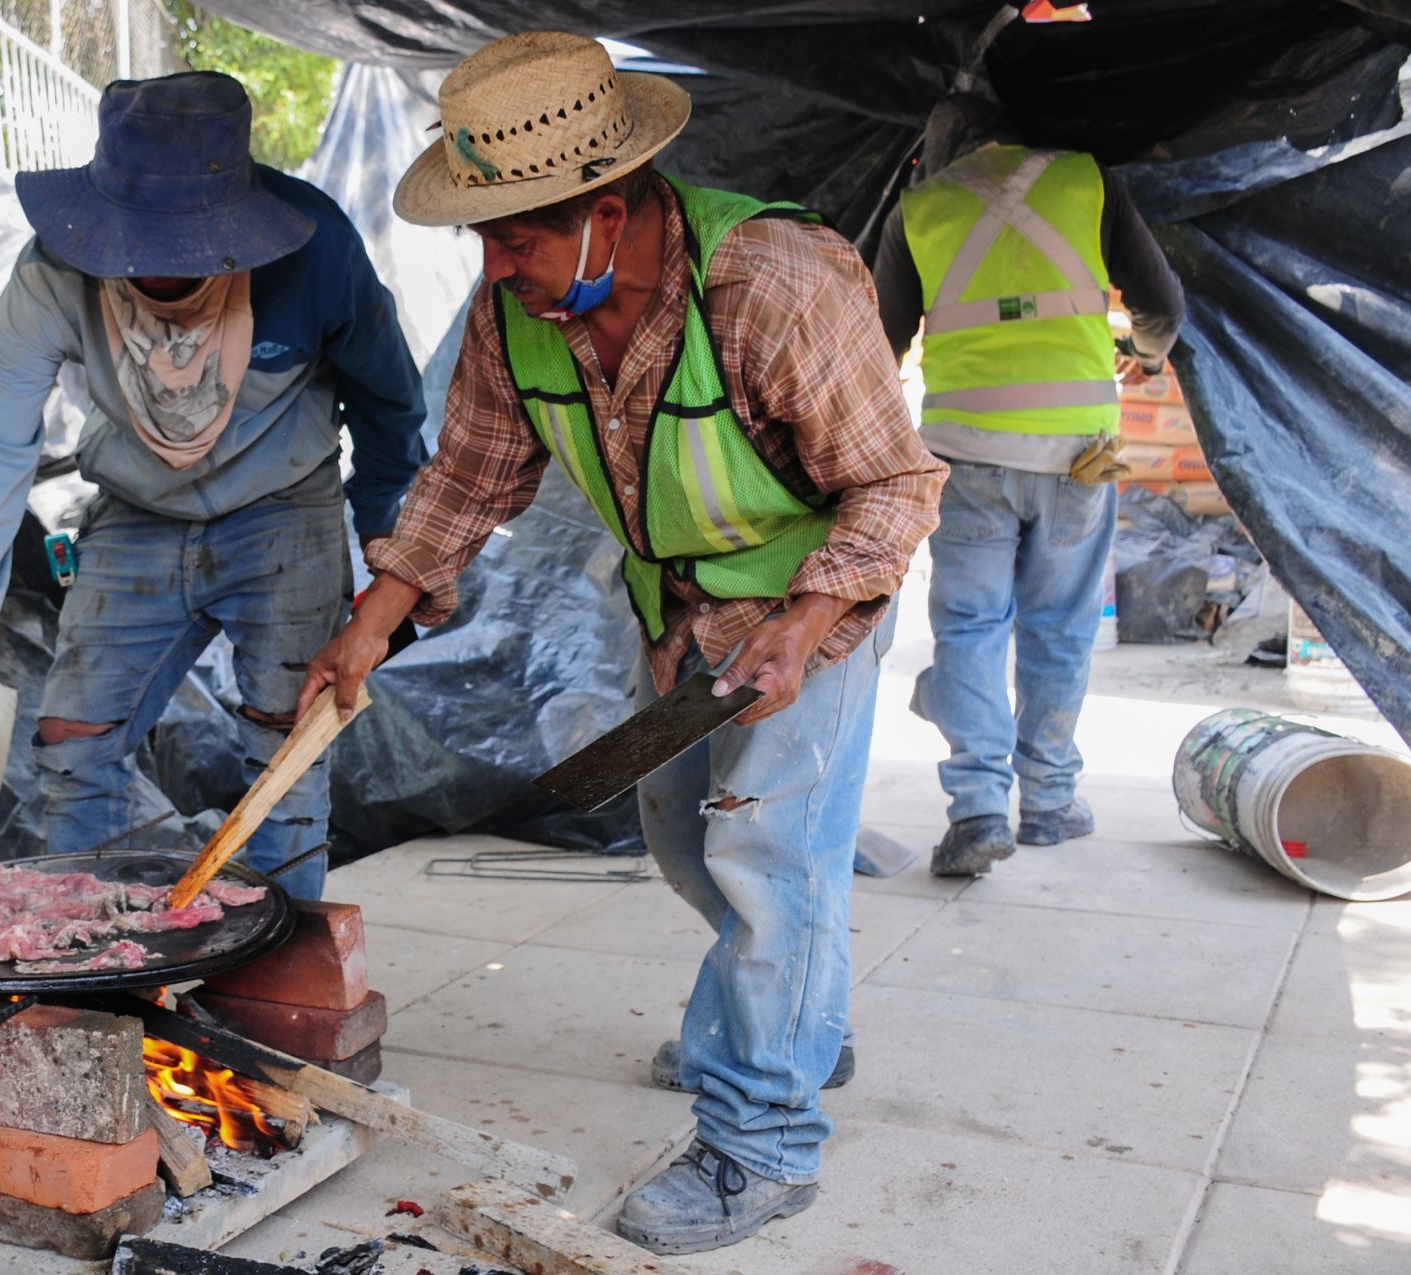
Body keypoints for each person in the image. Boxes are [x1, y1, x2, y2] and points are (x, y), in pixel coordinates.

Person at [297, 32, 946, 1255]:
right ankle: (800, 1020)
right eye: (483, 240)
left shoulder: (775, 281)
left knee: (769, 864)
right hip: (682, 617)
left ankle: (761, 1144)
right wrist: (369, 625)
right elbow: (469, 476)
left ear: (609, 207)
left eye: (518, 237)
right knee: (681, 844)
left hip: (817, 605)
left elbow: (896, 488)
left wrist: (804, 629)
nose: (497, 269)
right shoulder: (518, 314)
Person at [0, 73, 427, 900]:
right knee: (72, 742)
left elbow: (390, 407)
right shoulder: (50, 276)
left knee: (288, 752)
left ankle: (279, 986)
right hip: (136, 512)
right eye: (137, 247)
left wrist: (392, 564)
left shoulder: (317, 249)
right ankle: (93, 968)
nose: (159, 269)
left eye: (184, 249)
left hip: (285, 509)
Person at [872, 90, 1185, 878]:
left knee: (971, 626)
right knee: (1062, 623)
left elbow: (878, 344)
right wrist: (1144, 357)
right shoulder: (1086, 180)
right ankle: (1049, 802)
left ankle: (978, 809)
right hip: (1079, 449)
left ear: (944, 153)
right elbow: (1163, 306)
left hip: (965, 452)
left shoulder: (919, 207)